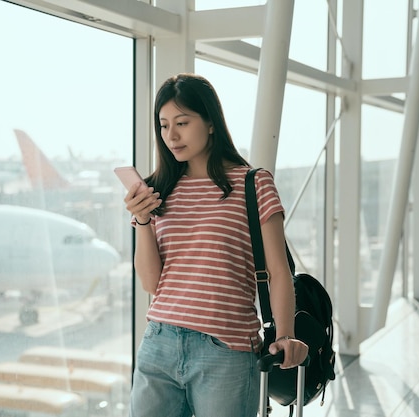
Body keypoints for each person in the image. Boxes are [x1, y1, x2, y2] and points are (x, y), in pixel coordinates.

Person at [123, 73, 309, 417]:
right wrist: (144, 221)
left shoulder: (253, 183)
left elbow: (279, 271)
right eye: (163, 126)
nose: (171, 135)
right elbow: (152, 284)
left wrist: (285, 334)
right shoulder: (158, 189)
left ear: (210, 123)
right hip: (159, 343)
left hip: (225, 348)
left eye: (182, 122)